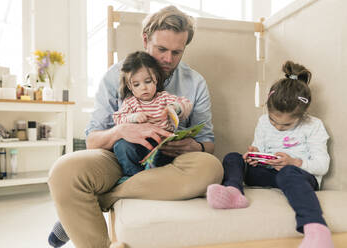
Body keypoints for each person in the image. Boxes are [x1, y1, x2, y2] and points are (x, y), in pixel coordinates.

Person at [48, 5, 223, 248]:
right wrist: (122, 130)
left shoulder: (195, 83)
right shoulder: (115, 75)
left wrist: (195, 146)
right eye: (161, 49)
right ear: (145, 39)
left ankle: (96, 199)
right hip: (118, 160)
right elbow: (92, 141)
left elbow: (209, 143)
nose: (168, 59)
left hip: (169, 164)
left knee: (211, 168)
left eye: (177, 52)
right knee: (63, 171)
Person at [206, 61, 334, 248]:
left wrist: (294, 162)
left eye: (286, 125)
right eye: (274, 120)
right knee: (233, 157)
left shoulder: (313, 126)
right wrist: (255, 155)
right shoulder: (263, 121)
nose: (277, 127)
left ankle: (316, 229)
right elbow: (259, 147)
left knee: (287, 172)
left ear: (302, 115)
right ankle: (234, 193)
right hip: (268, 172)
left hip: (299, 176)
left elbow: (322, 165)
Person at [113, 51, 193, 176]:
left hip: (161, 145)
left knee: (166, 151)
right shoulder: (130, 103)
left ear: (155, 79)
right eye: (136, 84)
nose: (143, 87)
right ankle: (134, 177)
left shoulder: (164, 98)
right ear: (130, 86)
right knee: (121, 146)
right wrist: (133, 117)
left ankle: (152, 175)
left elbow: (186, 103)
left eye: (148, 81)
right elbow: (117, 118)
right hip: (138, 144)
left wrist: (175, 107)